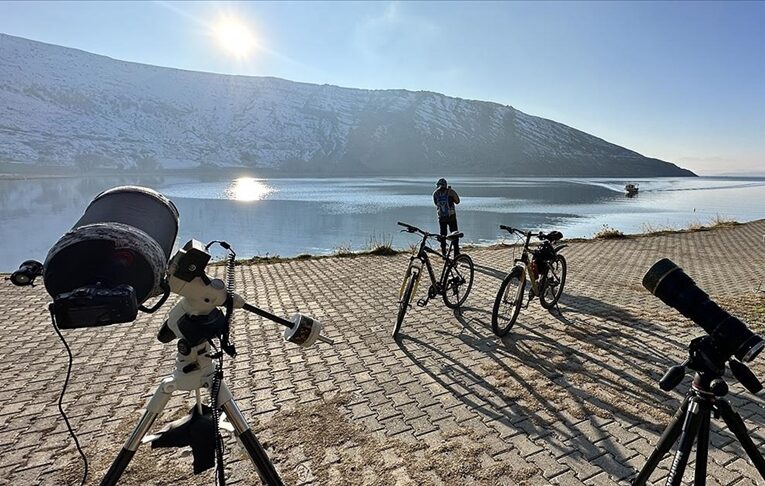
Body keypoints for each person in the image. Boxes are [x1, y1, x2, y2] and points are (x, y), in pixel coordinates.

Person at [433, 178, 460, 256]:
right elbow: (458, 201)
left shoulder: (435, 193)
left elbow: (436, 203)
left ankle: (444, 253)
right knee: (455, 235)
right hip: (451, 217)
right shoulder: (450, 192)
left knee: (443, 236)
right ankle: (456, 253)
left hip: (441, 218)